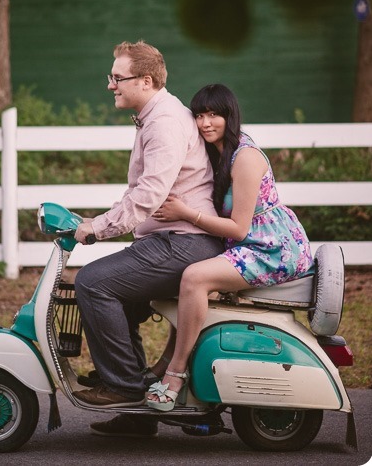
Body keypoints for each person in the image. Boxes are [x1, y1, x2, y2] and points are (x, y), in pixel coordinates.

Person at [72, 42, 224, 429]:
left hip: (185, 242)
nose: (110, 85)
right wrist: (97, 220)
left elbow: (150, 194)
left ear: (146, 80)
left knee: (92, 282)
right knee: (115, 296)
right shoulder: (152, 117)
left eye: (117, 78)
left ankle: (123, 387)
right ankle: (134, 413)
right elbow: (139, 191)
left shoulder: (165, 122)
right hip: (170, 239)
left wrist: (98, 229)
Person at [146, 83, 314, 412]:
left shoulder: (245, 158)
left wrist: (185, 213)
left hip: (271, 249)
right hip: (251, 243)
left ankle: (175, 373)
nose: (206, 123)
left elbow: (239, 228)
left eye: (214, 115)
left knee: (195, 278)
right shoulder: (219, 153)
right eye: (199, 115)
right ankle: (168, 361)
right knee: (185, 278)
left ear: (230, 116)